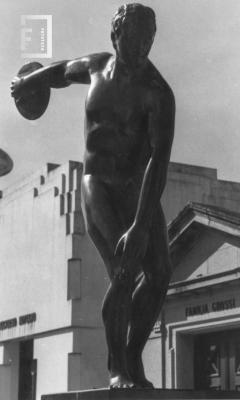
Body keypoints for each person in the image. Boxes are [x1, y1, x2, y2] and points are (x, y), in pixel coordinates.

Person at [11, 3, 175, 389]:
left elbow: (158, 164)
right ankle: (117, 366)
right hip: (97, 183)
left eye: (148, 40)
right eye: (134, 38)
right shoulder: (97, 67)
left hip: (137, 188)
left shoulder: (158, 94)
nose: (141, 47)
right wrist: (29, 83)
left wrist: (139, 225)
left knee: (159, 274)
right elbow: (63, 71)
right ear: (116, 35)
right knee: (121, 269)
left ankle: (132, 351)